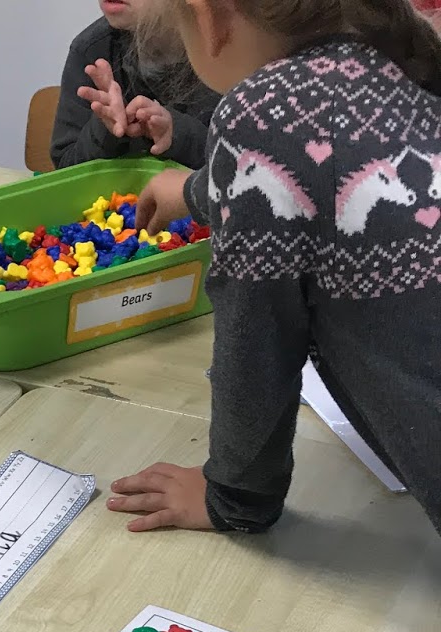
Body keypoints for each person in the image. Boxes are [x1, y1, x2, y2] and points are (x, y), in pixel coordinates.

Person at [108, 0, 441, 538]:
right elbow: (315, 170)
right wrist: (197, 191)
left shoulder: (259, 113)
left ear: (209, 18)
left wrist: (234, 495)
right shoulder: (398, 62)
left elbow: (257, 341)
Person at [51, 0, 219, 170]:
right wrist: (103, 130)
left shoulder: (225, 45)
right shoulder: (91, 49)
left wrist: (178, 134)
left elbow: (235, 164)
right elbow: (65, 168)